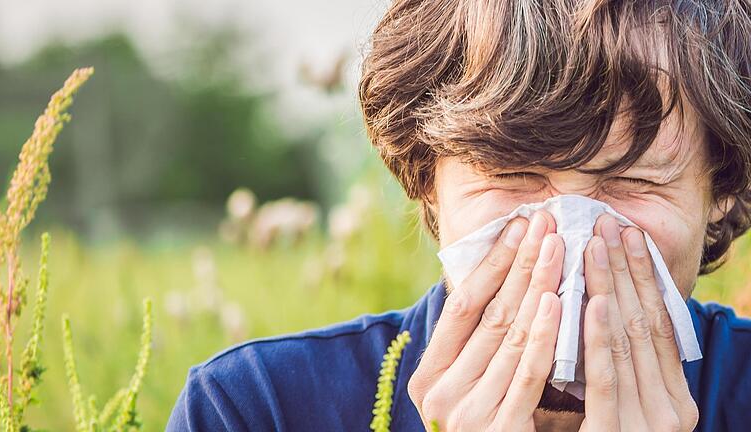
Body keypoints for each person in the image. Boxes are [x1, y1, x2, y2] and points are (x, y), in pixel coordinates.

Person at [166, 1, 751, 430]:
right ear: (428, 181)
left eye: (631, 182)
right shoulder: (254, 408)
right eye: (513, 175)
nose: (572, 242)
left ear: (719, 188)